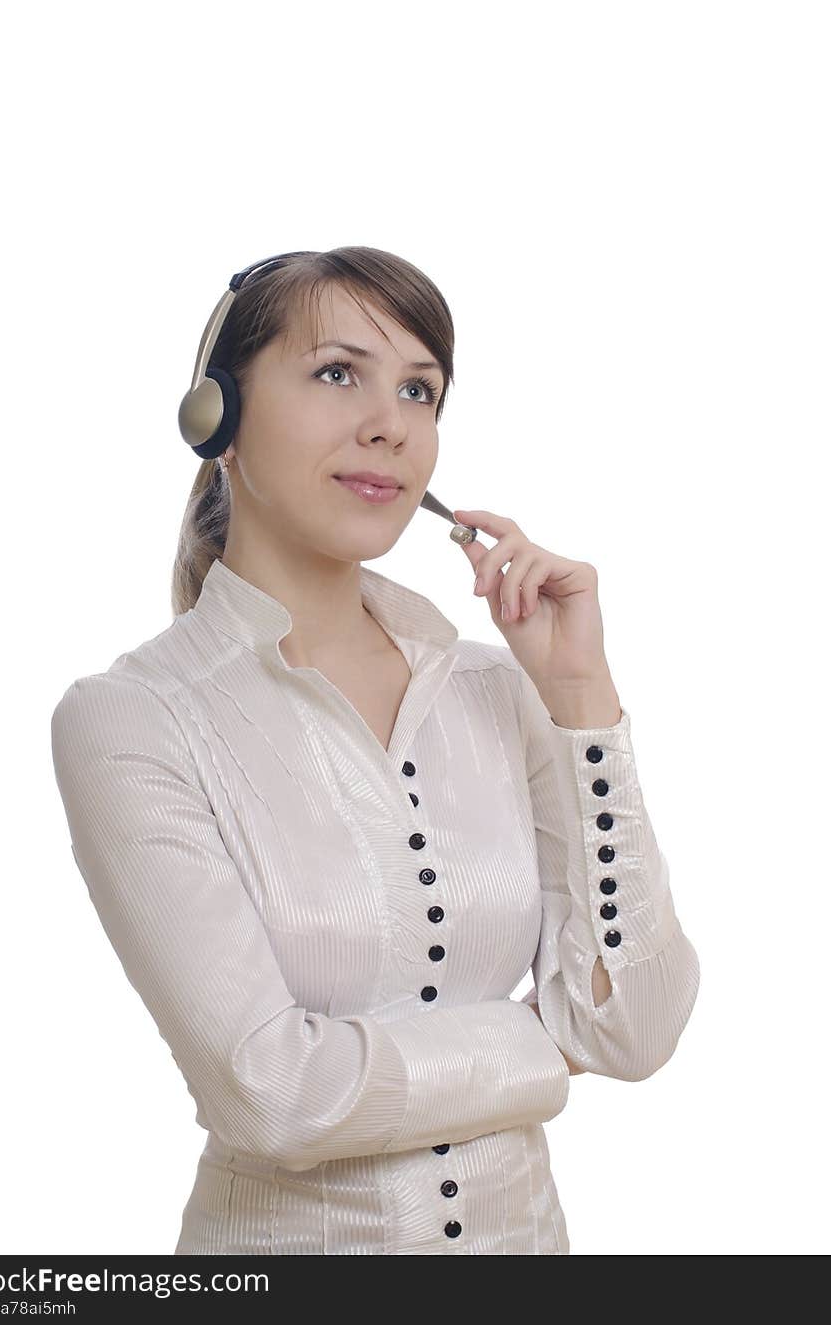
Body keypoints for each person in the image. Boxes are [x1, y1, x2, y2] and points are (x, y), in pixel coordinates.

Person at [49, 247, 700, 1255]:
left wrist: (577, 695)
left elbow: (637, 1026)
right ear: (213, 417)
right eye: (336, 373)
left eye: (419, 390)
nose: (389, 423)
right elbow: (273, 1096)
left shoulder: (498, 689)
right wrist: (543, 1043)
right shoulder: (130, 720)